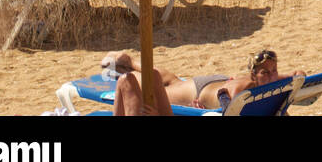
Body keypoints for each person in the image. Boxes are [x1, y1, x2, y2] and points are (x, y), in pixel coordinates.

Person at [103, 48, 300, 116]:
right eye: (265, 72)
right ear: (253, 75)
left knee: (171, 79)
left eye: (274, 71)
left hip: (211, 80)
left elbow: (290, 76)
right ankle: (129, 62)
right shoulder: (241, 89)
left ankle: (128, 63)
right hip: (198, 92)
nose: (272, 75)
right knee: (152, 83)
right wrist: (217, 107)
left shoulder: (268, 80)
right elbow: (225, 95)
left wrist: (294, 74)